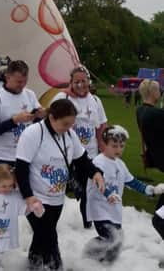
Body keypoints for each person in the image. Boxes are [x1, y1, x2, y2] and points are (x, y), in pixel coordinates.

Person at [15, 98, 105, 270]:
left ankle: (32, 266)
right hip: (36, 198)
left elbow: (82, 160)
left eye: (71, 124)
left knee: (41, 238)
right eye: (65, 124)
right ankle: (56, 267)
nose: (68, 128)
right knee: (49, 238)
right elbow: (21, 167)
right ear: (52, 118)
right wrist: (28, 196)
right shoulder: (33, 134)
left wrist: (95, 173)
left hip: (56, 198)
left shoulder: (69, 134)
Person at [84, 125, 164, 263]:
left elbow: (132, 182)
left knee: (117, 241)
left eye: (121, 146)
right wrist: (108, 193)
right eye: (114, 146)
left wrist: (151, 190)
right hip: (99, 208)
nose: (119, 149)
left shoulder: (120, 164)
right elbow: (98, 182)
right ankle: (88, 255)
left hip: (114, 210)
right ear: (104, 145)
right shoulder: (99, 162)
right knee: (111, 238)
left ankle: (106, 264)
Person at [51, 65, 107, 228]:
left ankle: (87, 223)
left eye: (83, 81)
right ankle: (49, 222)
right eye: (76, 82)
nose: (81, 85)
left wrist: (103, 149)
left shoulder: (95, 100)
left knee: (88, 192)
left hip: (89, 154)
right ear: (71, 82)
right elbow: (51, 122)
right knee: (57, 190)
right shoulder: (63, 98)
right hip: (67, 155)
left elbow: (101, 126)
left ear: (89, 82)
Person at [0, 60, 45, 167]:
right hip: (3, 157)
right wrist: (14, 120)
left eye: (24, 81)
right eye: (18, 82)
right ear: (8, 77)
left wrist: (39, 116)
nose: (22, 85)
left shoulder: (30, 94)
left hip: (26, 155)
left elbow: (37, 124)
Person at [136, 78, 164, 250]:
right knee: (159, 220)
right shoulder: (156, 115)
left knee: (159, 219)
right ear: (154, 93)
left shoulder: (140, 111)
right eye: (159, 90)